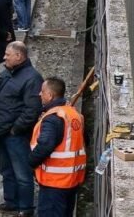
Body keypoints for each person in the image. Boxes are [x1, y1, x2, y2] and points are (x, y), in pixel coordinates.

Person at [0, 41, 43, 216]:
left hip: (16, 135)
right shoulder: (9, 73)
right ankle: (11, 202)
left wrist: (16, 129)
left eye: (7, 55)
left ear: (18, 56)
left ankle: (25, 208)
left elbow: (32, 109)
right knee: (7, 170)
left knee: (22, 173)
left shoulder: (32, 78)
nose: (4, 58)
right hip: (3, 132)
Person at [29, 77, 86, 217]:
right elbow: (85, 141)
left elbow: (45, 146)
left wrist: (30, 162)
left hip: (54, 184)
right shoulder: (73, 114)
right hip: (71, 181)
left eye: (42, 92)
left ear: (50, 95)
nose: (39, 94)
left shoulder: (53, 118)